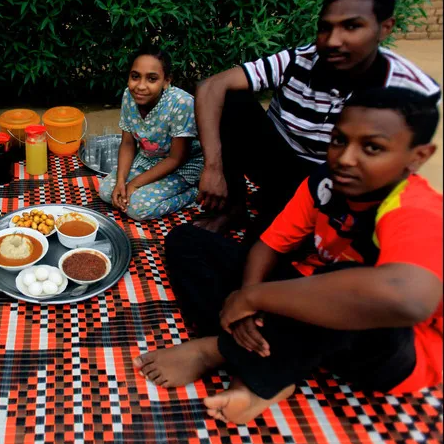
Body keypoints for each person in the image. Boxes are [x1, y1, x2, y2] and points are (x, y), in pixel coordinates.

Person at [135, 89, 442, 426]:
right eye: (339, 140)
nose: (346, 158)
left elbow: (406, 300)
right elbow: (269, 245)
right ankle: (260, 353)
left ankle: (219, 352)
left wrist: (253, 296)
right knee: (187, 241)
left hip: (391, 349)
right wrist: (247, 305)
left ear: (418, 156)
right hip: (309, 296)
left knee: (353, 284)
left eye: (372, 148)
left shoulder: (416, 211)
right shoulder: (326, 182)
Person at [191, 0, 440, 237]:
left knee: (262, 248)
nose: (333, 40)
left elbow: (398, 168)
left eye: (352, 27)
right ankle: (233, 207)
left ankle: (289, 214)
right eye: (325, 28)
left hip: (332, 181)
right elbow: (210, 87)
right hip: (278, 161)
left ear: (385, 28)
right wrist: (213, 168)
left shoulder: (412, 90)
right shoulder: (299, 59)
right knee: (232, 99)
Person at [98, 46, 204, 220]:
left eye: (152, 79)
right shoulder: (128, 96)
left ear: (166, 80)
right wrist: (120, 182)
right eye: (135, 77)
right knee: (107, 191)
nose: (140, 86)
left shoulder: (181, 103)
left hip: (182, 166)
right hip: (148, 159)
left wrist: (134, 184)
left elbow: (176, 159)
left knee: (137, 208)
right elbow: (127, 143)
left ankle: (193, 193)